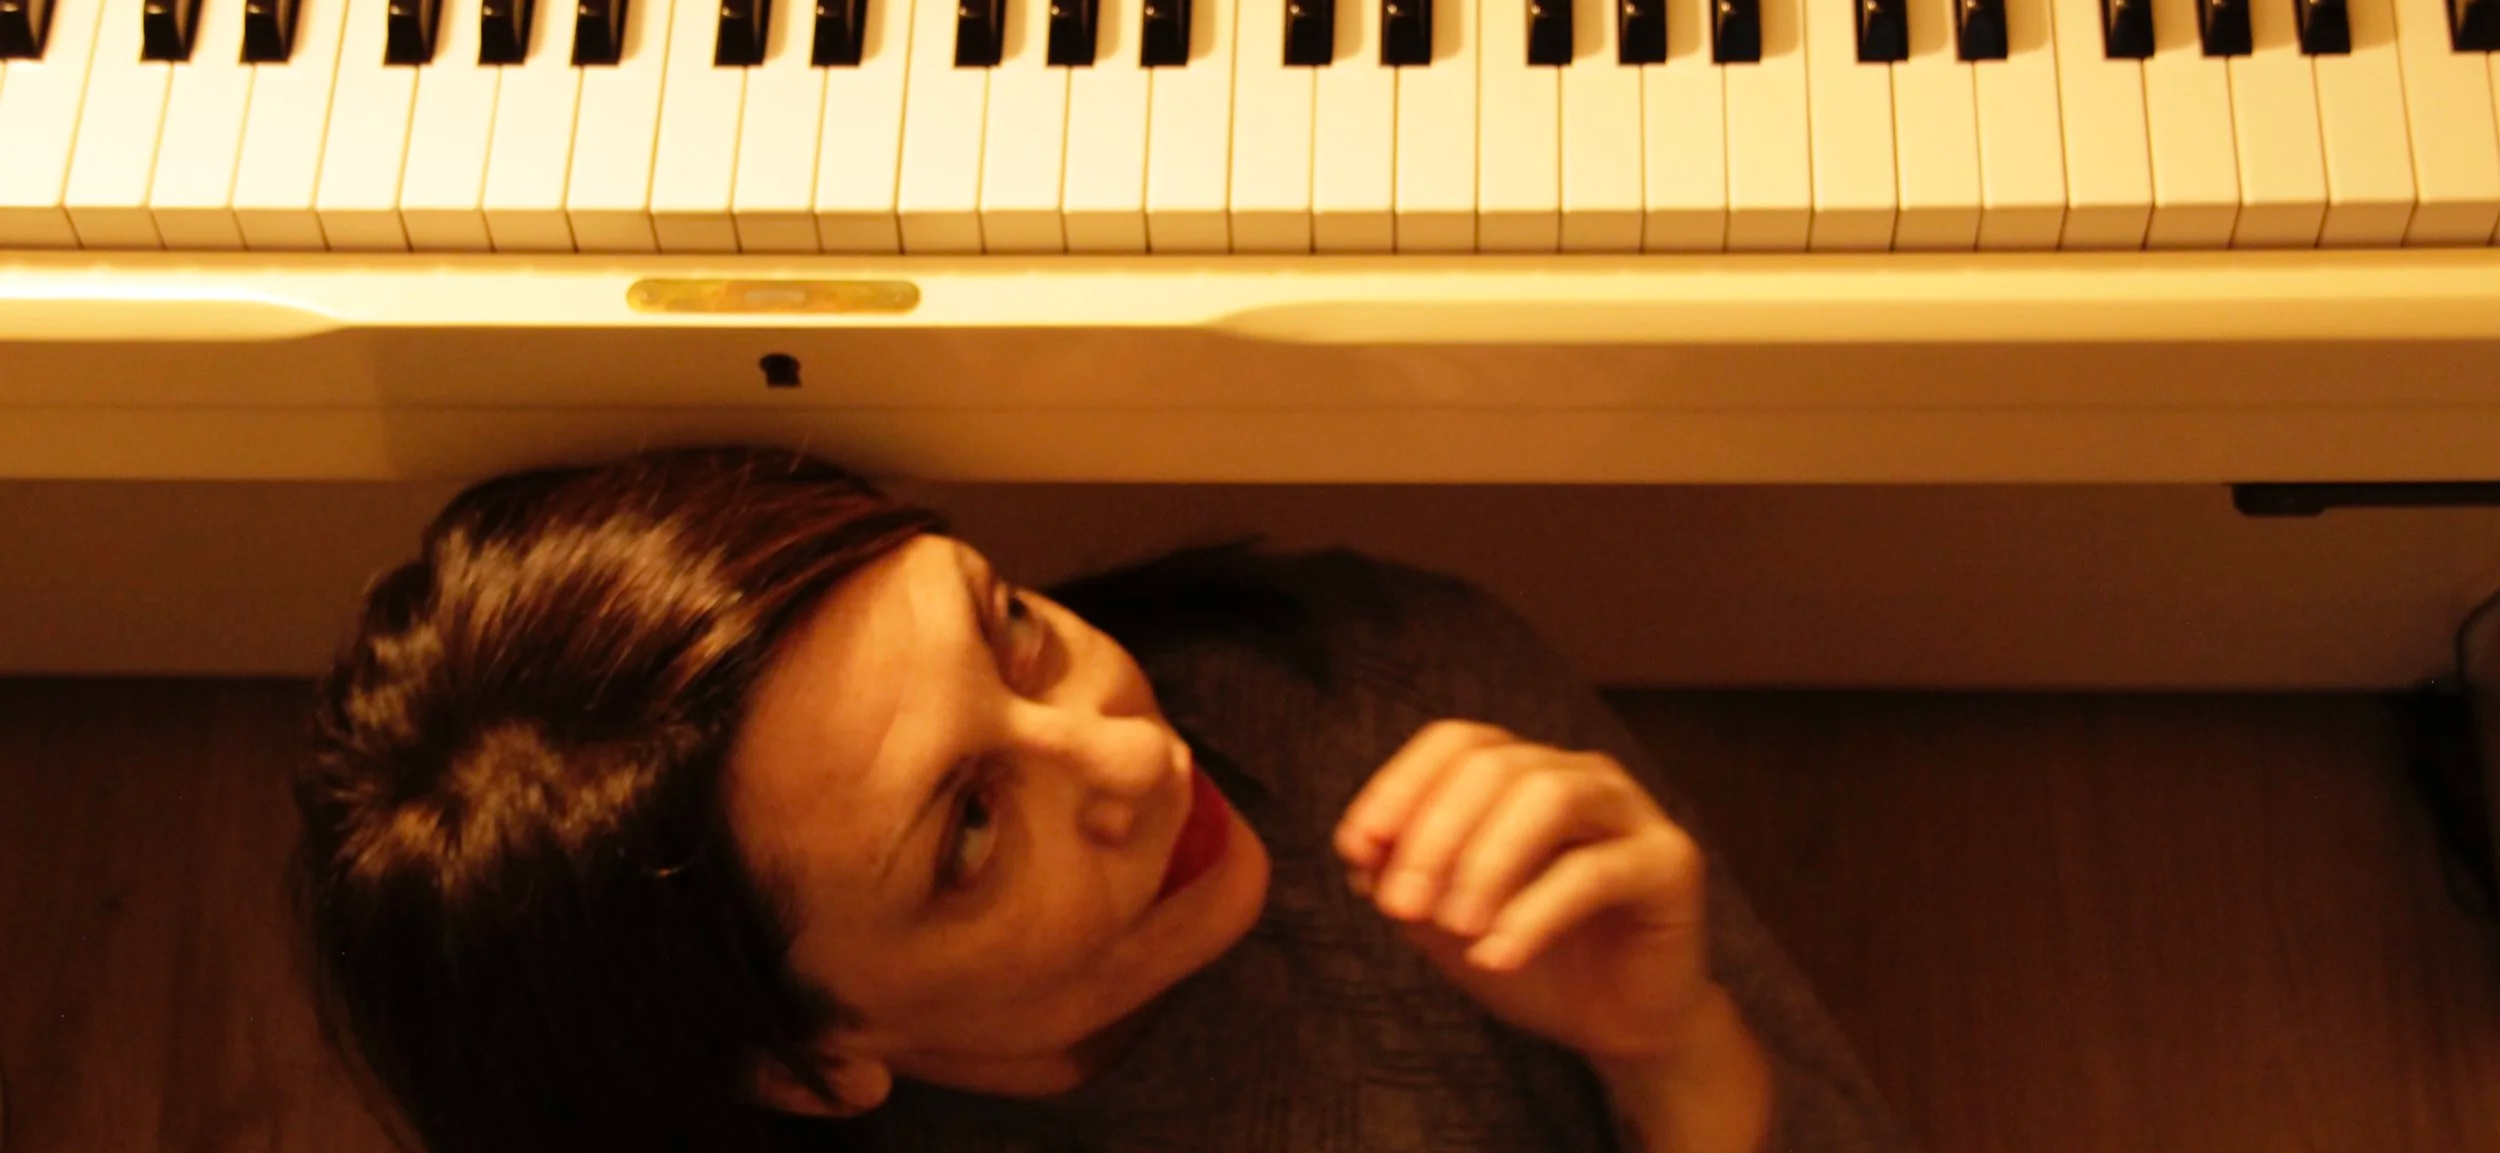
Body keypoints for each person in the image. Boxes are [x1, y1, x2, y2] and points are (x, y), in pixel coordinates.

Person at [292, 446, 1912, 1153]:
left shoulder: (1391, 683)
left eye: (1012, 628)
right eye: (972, 830)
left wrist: (1673, 1048)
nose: (1141, 755)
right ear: (813, 1064)